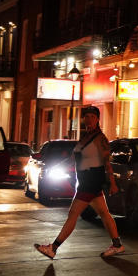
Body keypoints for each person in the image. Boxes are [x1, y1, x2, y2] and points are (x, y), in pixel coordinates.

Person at [34, 105, 123, 259]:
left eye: (92, 117)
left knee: (73, 214)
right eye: (86, 116)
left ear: (97, 119)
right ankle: (117, 245)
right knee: (103, 213)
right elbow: (73, 159)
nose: (89, 119)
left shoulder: (100, 138)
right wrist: (57, 167)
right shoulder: (85, 137)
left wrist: (113, 182)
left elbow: (107, 162)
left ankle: (53, 248)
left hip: (91, 180)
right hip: (84, 180)